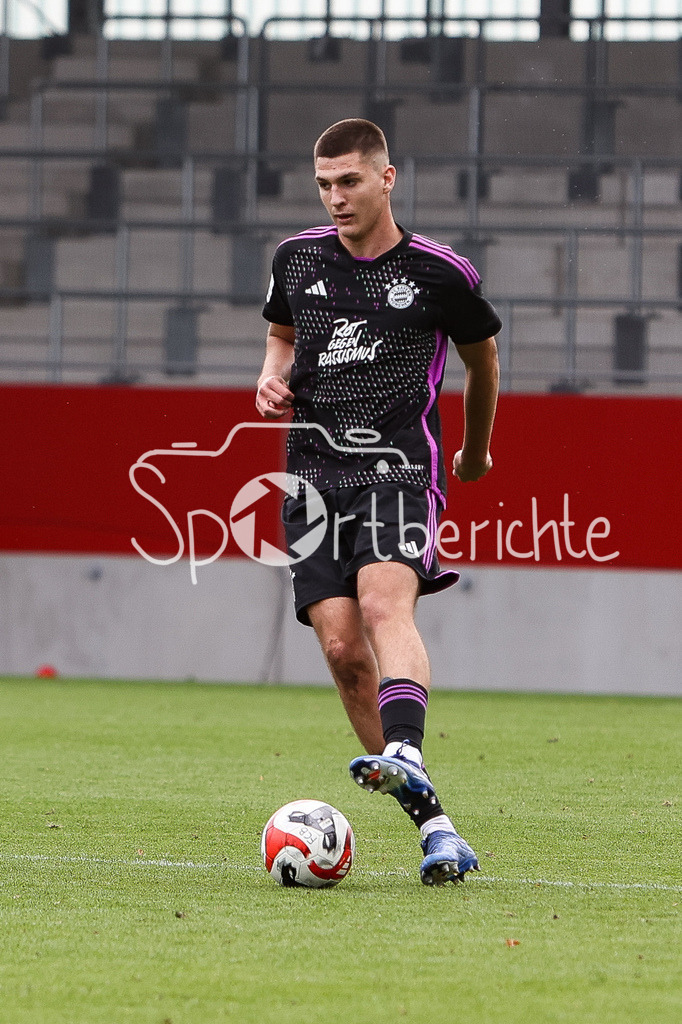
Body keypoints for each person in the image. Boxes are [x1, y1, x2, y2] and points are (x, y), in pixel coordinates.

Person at [256, 118, 501, 886]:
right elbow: (281, 337)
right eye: (324, 184)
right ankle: (438, 830)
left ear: (386, 178)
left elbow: (483, 361)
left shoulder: (440, 273)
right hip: (311, 479)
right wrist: (269, 377)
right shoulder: (297, 259)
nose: (336, 197)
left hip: (398, 469)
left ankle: (404, 747)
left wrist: (475, 450)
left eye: (350, 181)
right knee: (341, 652)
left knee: (383, 605)